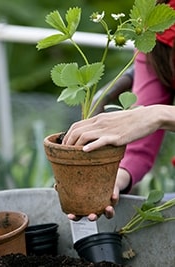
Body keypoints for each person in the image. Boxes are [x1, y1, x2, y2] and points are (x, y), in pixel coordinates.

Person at [62, 0, 175, 221]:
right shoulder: (157, 30)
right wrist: (110, 183)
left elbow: (149, 116)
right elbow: (138, 149)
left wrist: (157, 115)